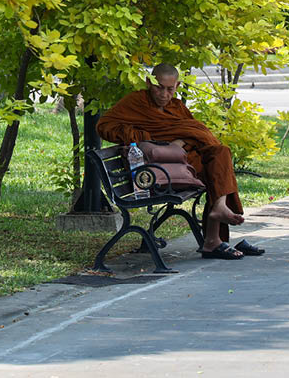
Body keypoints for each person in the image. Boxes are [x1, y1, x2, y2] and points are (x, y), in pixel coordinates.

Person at [96, 63, 265, 259]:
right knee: (217, 171)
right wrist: (142, 137)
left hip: (183, 161)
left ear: (177, 86)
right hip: (162, 169)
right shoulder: (135, 102)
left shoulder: (177, 106)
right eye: (159, 87)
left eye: (170, 89)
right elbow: (103, 126)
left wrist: (181, 142)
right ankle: (212, 240)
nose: (164, 94)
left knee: (220, 154)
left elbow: (194, 132)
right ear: (149, 82)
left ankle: (217, 216)